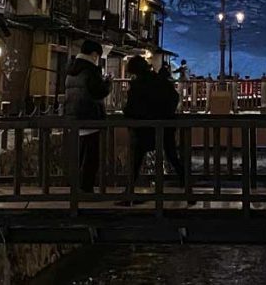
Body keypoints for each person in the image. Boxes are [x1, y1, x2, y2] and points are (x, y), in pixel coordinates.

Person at [122, 55, 185, 203]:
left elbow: (130, 108)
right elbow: (174, 97)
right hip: (165, 125)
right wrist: (167, 114)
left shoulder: (137, 85)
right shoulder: (160, 80)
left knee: (136, 159)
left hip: (144, 127)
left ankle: (128, 191)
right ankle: (187, 185)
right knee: (172, 156)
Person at [64, 39, 110, 193]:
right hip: (90, 116)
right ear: (94, 54)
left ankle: (75, 186)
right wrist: (108, 83)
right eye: (97, 56)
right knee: (92, 156)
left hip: (74, 116)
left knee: (78, 155)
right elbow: (99, 91)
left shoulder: (71, 69)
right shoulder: (91, 69)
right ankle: (86, 188)